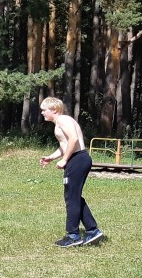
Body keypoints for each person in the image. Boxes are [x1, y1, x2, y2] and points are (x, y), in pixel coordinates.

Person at [39, 97, 103, 247]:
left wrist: (64, 160)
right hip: (78, 159)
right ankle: (92, 230)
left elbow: (74, 139)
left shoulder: (63, 120)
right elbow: (66, 145)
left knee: (71, 198)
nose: (42, 113)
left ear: (54, 110)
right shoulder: (60, 122)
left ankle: (73, 236)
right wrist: (51, 157)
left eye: (44, 110)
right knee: (74, 196)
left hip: (77, 159)